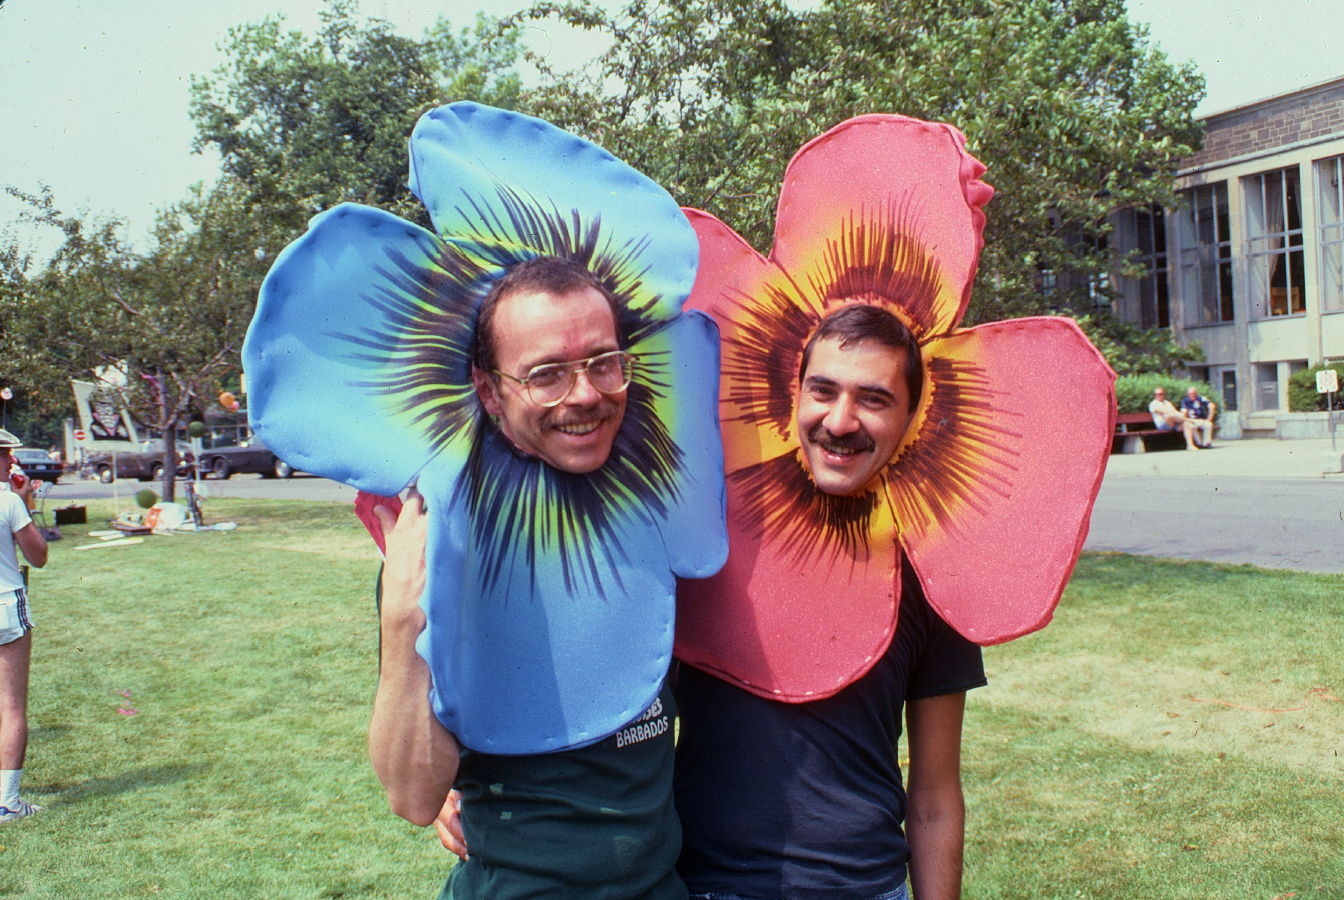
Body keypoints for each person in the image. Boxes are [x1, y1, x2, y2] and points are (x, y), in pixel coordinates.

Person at [371, 257, 686, 899]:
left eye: (604, 361)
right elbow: (411, 795)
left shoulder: (662, 516)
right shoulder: (441, 550)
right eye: (546, 374)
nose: (586, 394)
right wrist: (404, 615)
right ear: (489, 392)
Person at [673, 305, 986, 900]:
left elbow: (936, 798)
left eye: (874, 399)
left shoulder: (931, 574)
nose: (840, 421)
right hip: (700, 886)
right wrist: (480, 782)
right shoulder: (705, 542)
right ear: (795, 396)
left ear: (912, 414)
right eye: (823, 390)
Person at [0, 432, 49, 824]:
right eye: (4, 456)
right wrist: (25, 499)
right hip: (4, 604)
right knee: (12, 706)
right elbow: (39, 555)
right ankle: (8, 801)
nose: (10, 464)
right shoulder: (9, 501)